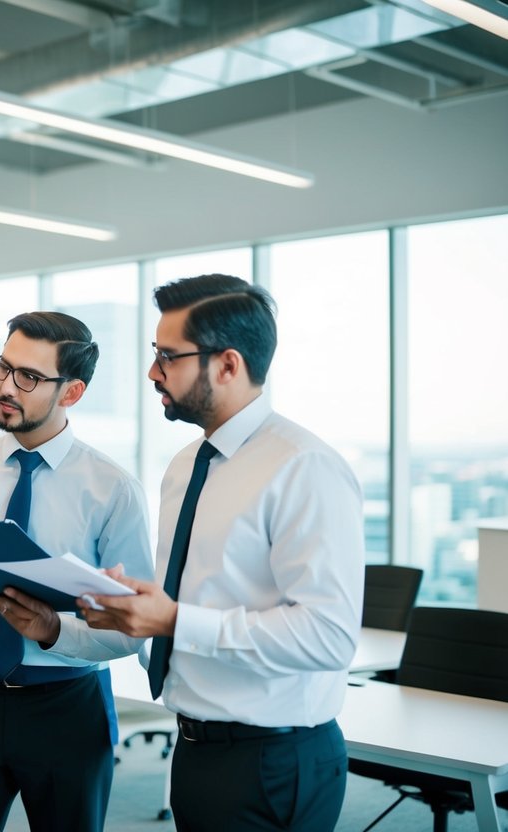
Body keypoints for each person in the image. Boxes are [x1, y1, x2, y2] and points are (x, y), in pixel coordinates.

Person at [61, 274, 364, 831]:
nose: (153, 372)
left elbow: (329, 635)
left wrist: (177, 619)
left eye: (168, 357)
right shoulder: (184, 466)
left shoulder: (303, 467)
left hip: (275, 757)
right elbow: (198, 598)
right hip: (197, 744)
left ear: (227, 365)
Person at [0, 311, 153, 832]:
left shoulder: (112, 489)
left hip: (67, 706)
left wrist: (54, 630)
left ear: (73, 392)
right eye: (3, 368)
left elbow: (134, 628)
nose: (6, 387)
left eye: (30, 378)